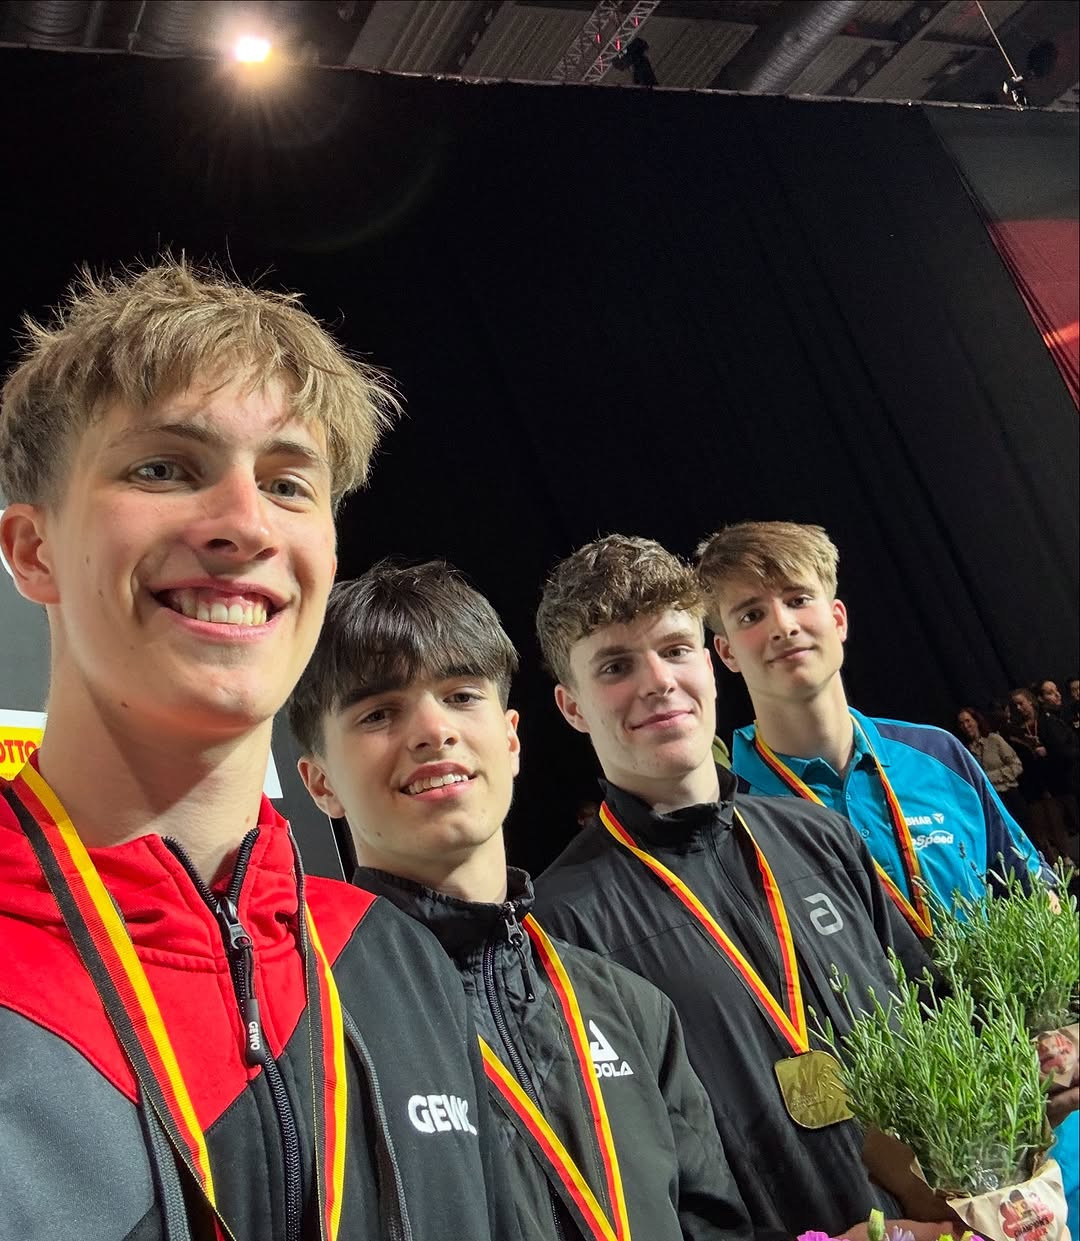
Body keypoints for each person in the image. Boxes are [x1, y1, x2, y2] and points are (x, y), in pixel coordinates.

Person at [0, 262, 499, 1240]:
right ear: (32, 549)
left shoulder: (395, 960)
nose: (244, 522)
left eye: (286, 483)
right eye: (163, 467)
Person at [288, 559, 766, 1241]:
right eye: (379, 712)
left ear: (511, 740)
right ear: (320, 783)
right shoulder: (304, 1022)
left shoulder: (630, 1008)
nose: (432, 730)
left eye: (461, 695)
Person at [530, 534, 949, 1239]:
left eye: (676, 649)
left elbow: (939, 1026)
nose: (658, 681)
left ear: (710, 662)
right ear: (572, 706)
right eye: (616, 666)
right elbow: (622, 1192)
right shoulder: (558, 926)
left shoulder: (820, 839)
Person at [693, 520, 1076, 1236]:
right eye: (749, 614)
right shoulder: (725, 813)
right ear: (725, 654)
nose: (781, 625)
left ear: (837, 617)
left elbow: (1039, 902)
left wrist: (1065, 1030)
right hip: (890, 1165)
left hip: (1040, 1116)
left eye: (797, 599)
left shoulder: (936, 754)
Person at [1006, 686, 1078, 856]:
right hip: (1042, 785)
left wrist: (1048, 751)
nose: (1019, 708)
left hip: (1065, 778)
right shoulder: (1016, 731)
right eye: (1015, 706)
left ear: (1030, 701)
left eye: (1021, 703)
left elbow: (1066, 747)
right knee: (1055, 824)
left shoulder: (1048, 720)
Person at [955, 706, 1027, 832]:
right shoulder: (964, 751)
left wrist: (991, 777)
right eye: (961, 723)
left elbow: (1016, 765)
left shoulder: (994, 740)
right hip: (989, 803)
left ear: (976, 721)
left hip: (1009, 795)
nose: (966, 726)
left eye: (968, 721)